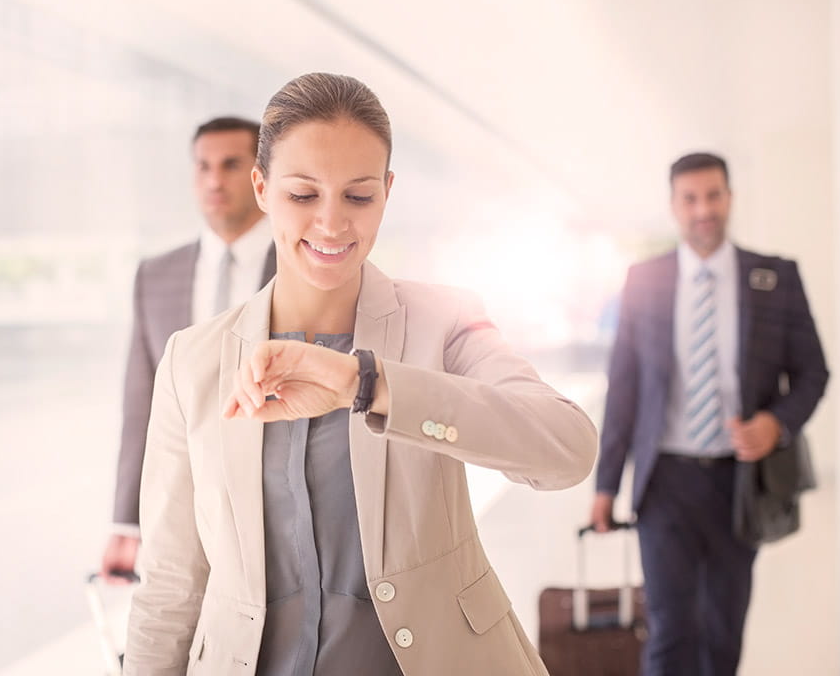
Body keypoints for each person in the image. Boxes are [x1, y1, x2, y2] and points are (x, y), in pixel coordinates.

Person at [122, 72, 598, 675]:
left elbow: (566, 449)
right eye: (302, 195)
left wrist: (364, 383)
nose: (331, 224)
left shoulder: (444, 322)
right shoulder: (191, 361)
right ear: (262, 188)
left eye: (358, 196)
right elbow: (170, 585)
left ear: (387, 191)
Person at [590, 153, 829, 676]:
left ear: (730, 198)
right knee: (670, 629)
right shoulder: (643, 280)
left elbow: (814, 373)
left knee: (722, 629)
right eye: (691, 199)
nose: (704, 210)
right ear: (674, 206)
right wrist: (605, 486)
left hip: (738, 482)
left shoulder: (775, 278)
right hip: (665, 481)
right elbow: (623, 389)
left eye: (713, 196)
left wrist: (776, 423)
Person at [101, 117, 276, 583]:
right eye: (203, 166)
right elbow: (140, 405)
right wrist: (125, 522)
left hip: (278, 506)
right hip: (182, 507)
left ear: (262, 174)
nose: (214, 180)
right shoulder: (155, 277)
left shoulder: (302, 266)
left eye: (231, 164)